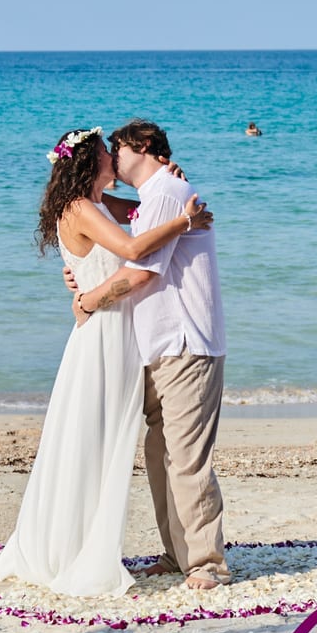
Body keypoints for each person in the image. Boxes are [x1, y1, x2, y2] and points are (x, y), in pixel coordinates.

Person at [0, 126, 214, 596]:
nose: (113, 158)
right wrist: (184, 222)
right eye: (106, 153)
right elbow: (134, 249)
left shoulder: (95, 205)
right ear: (90, 162)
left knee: (104, 439)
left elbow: (141, 214)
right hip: (106, 335)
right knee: (93, 440)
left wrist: (170, 187)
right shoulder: (82, 208)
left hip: (121, 334)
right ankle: (77, 548)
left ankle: (103, 544)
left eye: (118, 150)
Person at [66, 120, 230, 591]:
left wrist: (88, 300)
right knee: (160, 453)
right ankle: (178, 554)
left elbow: (140, 273)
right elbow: (105, 218)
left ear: (141, 146)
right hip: (158, 345)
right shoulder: (155, 197)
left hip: (184, 342)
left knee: (186, 458)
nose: (113, 157)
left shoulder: (166, 193)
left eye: (116, 147)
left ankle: (206, 564)